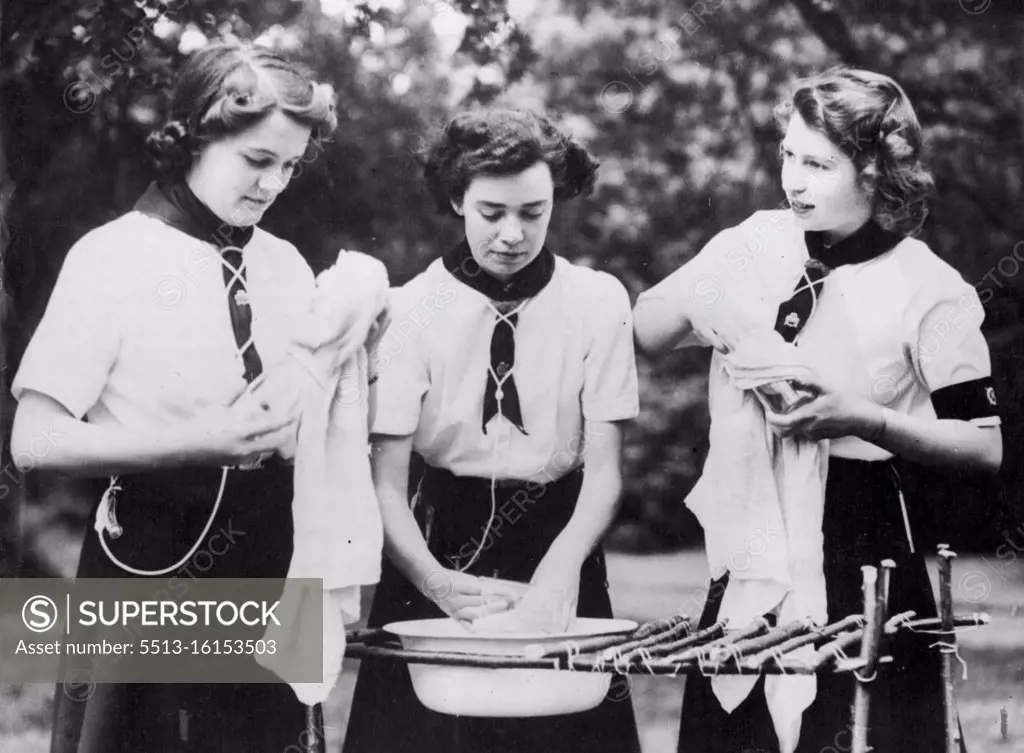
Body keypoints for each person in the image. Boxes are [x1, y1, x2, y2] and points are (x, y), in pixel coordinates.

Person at [634, 66, 1002, 753]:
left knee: (853, 726)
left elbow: (984, 445)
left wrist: (863, 417)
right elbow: (647, 328)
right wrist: (706, 307)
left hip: (860, 542)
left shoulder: (930, 289)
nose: (792, 180)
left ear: (875, 170)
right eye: (788, 157)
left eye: (817, 164)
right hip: (751, 539)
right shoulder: (754, 242)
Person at [11, 42, 344, 752]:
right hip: (149, 561)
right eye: (257, 161)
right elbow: (32, 439)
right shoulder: (112, 256)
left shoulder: (285, 264)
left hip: (270, 559)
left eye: (289, 166)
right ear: (194, 134)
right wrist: (195, 442)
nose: (273, 185)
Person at [341, 108, 643, 753]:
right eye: (491, 212)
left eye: (533, 213)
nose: (512, 234)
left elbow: (606, 469)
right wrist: (437, 585)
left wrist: (562, 572)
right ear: (457, 199)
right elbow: (387, 486)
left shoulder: (598, 302)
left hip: (560, 533)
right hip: (432, 539)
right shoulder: (407, 309)